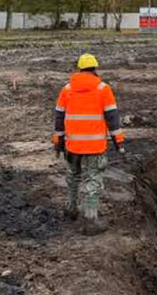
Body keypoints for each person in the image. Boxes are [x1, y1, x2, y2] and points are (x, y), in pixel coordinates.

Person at [51, 53, 126, 236]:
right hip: (94, 146)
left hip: (73, 145)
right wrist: (119, 142)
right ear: (95, 69)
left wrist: (58, 140)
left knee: (73, 176)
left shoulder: (67, 89)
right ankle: (90, 220)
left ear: (79, 69)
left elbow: (59, 118)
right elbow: (112, 119)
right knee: (93, 179)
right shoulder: (103, 89)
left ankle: (71, 209)